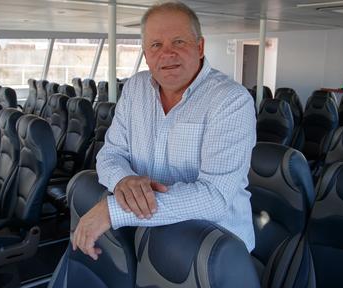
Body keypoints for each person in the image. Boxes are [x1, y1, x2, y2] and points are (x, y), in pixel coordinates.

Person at [72, 1, 256, 259]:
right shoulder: (135, 89)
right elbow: (110, 154)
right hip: (149, 238)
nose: (167, 54)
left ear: (200, 47)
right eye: (156, 45)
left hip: (213, 251)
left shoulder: (230, 100)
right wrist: (123, 180)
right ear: (146, 54)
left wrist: (112, 210)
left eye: (179, 42)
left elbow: (214, 196)